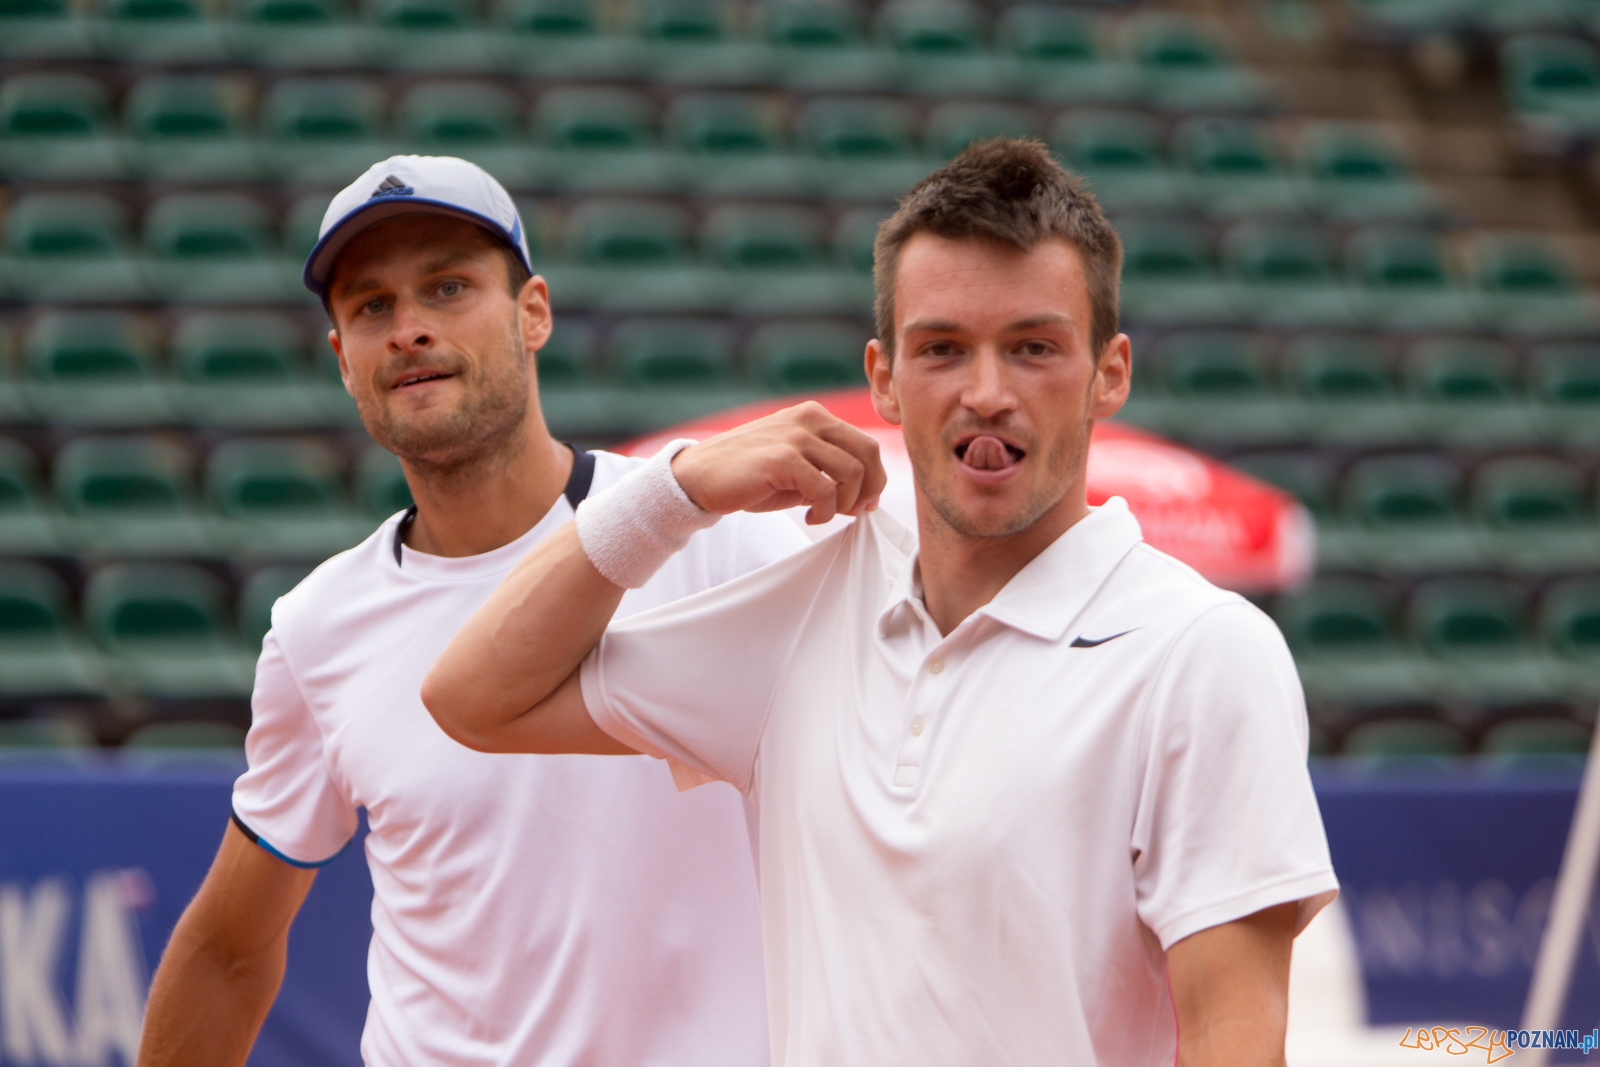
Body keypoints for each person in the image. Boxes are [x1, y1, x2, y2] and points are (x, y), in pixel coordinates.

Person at [424, 139, 1340, 1067]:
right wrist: (680, 490)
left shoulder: (1204, 650)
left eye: (1033, 348)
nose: (987, 393)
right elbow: (469, 696)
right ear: (883, 379)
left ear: (1110, 371)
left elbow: (1235, 1036)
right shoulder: (804, 608)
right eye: (942, 349)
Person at [137, 155, 808, 1067]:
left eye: (448, 288)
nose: (408, 329)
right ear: (342, 359)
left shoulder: (713, 531)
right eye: (371, 306)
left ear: (533, 311)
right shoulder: (315, 626)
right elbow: (228, 948)